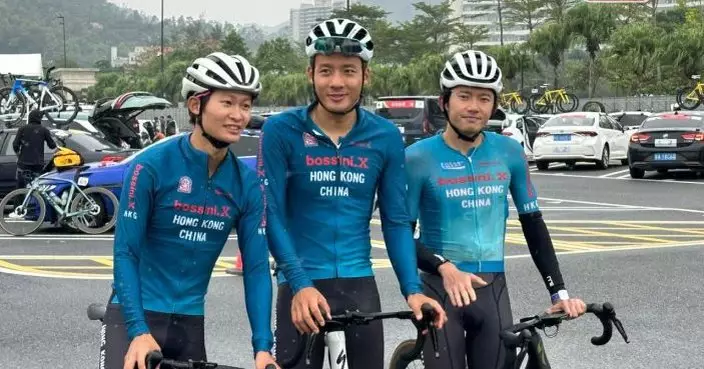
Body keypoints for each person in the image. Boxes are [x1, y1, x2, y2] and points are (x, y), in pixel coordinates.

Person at [258, 18, 446, 369]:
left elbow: (395, 221)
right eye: (326, 70)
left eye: (348, 71)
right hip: (300, 284)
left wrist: (412, 290)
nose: (337, 82)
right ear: (310, 73)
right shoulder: (281, 130)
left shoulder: (385, 135)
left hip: (358, 284)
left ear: (366, 76)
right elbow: (272, 215)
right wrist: (299, 283)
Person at [405, 49, 587, 369]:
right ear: (444, 101)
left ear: (494, 104)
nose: (474, 107)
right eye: (464, 96)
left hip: (493, 289)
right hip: (440, 287)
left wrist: (559, 291)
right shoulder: (418, 158)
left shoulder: (509, 152)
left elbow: (533, 223)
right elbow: (400, 234)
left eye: (484, 98)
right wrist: (444, 266)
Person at [107, 52, 279, 369]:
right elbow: (126, 252)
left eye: (245, 105)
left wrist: (263, 347)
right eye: (227, 103)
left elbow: (255, 268)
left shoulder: (247, 183)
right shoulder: (151, 165)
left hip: (189, 321)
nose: (239, 115)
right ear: (196, 105)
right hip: (134, 316)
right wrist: (138, 329)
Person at [12, 109, 56, 189]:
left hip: (23, 164)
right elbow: (52, 146)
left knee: (20, 188)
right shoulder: (44, 130)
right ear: (39, 118)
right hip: (37, 164)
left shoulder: (22, 129)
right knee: (36, 188)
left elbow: (15, 145)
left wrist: (18, 154)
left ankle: (20, 200)